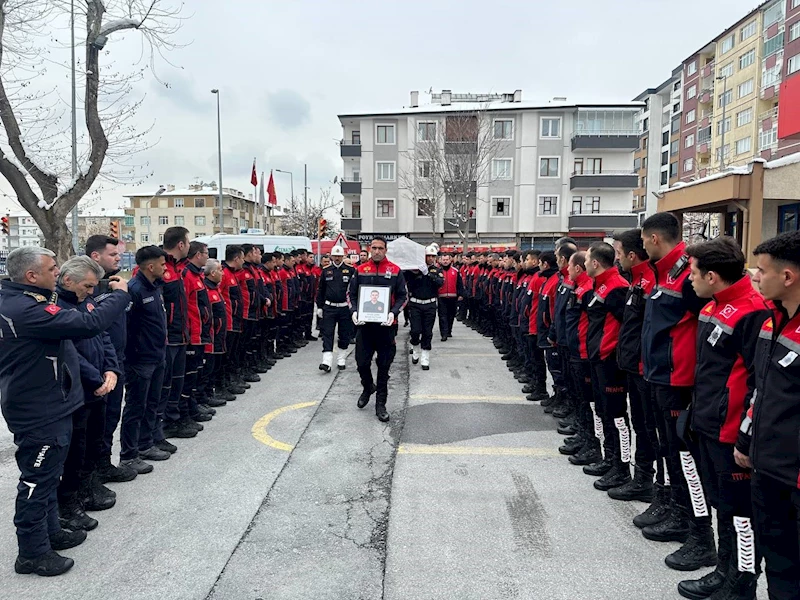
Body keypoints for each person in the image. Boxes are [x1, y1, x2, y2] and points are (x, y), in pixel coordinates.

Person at [0, 246, 129, 576]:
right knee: (37, 480)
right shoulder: (25, 309)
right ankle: (32, 552)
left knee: (50, 474)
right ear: (31, 275)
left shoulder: (30, 301)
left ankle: (51, 530)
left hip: (53, 402)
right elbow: (90, 323)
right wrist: (120, 294)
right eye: (52, 268)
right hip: (38, 409)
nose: (57, 272)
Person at [674, 237, 768, 600]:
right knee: (723, 506)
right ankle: (723, 570)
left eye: (694, 273)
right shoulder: (712, 305)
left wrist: (742, 435)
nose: (688, 280)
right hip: (707, 422)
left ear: (712, 276)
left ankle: (742, 584)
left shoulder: (752, 310)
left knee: (740, 514)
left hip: (731, 432)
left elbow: (757, 381)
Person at [640, 212, 715, 572]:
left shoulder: (688, 275)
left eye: (643, 240)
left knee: (686, 458)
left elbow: (706, 329)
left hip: (677, 379)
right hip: (658, 375)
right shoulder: (665, 272)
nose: (641, 247)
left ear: (655, 239)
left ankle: (699, 531)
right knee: (667, 450)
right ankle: (672, 506)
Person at [739, 231, 800, 600]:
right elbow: (758, 389)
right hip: (768, 469)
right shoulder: (769, 321)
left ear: (788, 277)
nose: (755, 277)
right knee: (779, 568)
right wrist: (746, 439)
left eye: (761, 270)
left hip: (795, 475)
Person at [55, 257, 121, 533]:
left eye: (94, 286)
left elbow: (103, 336)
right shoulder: (58, 308)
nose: (92, 291)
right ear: (68, 281)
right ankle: (69, 502)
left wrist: (111, 369)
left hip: (99, 386)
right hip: (78, 391)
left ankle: (89, 486)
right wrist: (96, 378)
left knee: (96, 440)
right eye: (88, 286)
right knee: (76, 451)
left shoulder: (87, 302)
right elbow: (69, 353)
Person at [609, 229, 661, 508]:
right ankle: (640, 477)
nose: (617, 259)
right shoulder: (637, 280)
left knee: (649, 429)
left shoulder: (651, 281)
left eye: (618, 253)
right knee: (640, 425)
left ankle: (647, 482)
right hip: (632, 365)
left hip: (646, 370)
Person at [85, 235, 137, 485]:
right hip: (96, 366)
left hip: (116, 360)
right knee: (96, 423)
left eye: (118, 254)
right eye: (112, 255)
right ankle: (91, 474)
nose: (118, 258)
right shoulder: (87, 287)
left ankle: (104, 464)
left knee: (111, 415)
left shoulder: (115, 284)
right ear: (95, 256)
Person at [584, 242, 632, 492]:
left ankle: (622, 467)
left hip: (610, 361)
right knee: (602, 412)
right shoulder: (600, 285)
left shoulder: (616, 287)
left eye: (587, 259)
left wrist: (610, 351)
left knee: (617, 417)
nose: (583, 264)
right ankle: (609, 458)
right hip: (597, 358)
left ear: (595, 263)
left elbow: (627, 326)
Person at [120, 246, 171, 473]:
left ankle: (146, 444)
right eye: (162, 263)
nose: (165, 267)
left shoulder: (155, 287)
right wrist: (134, 355)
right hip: (140, 360)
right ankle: (128, 456)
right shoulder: (135, 290)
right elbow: (126, 329)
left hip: (157, 355)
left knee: (152, 403)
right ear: (151, 267)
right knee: (135, 407)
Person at [348, 236, 408, 422]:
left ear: (385, 250)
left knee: (384, 367)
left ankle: (380, 404)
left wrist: (393, 313)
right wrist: (354, 312)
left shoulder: (395, 271)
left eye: (380, 248)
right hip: (365, 327)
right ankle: (367, 386)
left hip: (386, 327)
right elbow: (351, 294)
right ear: (369, 248)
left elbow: (403, 296)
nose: (376, 251)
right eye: (373, 247)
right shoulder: (360, 270)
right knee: (361, 363)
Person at [159, 227, 196, 440]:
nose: (189, 245)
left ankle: (175, 419)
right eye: (188, 242)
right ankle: (163, 425)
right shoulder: (159, 267)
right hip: (168, 337)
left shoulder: (178, 269)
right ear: (180, 244)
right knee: (166, 384)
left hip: (180, 335)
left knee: (177, 381)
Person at [181, 241, 213, 425]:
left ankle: (193, 405)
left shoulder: (197, 275)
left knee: (196, 372)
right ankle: (186, 411)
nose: (207, 256)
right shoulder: (187, 274)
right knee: (189, 374)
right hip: (192, 333)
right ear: (198, 255)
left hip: (201, 331)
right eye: (206, 253)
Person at [316, 245, 355, 372]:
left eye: (339, 256)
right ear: (331, 256)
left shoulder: (350, 270)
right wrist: (320, 306)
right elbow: (321, 290)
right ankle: (326, 361)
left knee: (344, 334)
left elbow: (354, 290)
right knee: (327, 333)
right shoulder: (326, 270)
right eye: (335, 256)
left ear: (343, 256)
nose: (337, 258)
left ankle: (341, 359)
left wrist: (353, 307)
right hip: (329, 307)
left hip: (344, 308)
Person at [406, 245, 444, 370]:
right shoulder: (413, 270)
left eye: (433, 256)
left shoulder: (437, 270)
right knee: (415, 330)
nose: (431, 258)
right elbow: (406, 281)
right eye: (429, 256)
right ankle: (415, 348)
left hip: (430, 304)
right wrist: (415, 272)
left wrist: (428, 274)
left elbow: (440, 283)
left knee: (428, 332)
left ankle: (425, 356)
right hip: (415, 304)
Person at [437, 252, 463, 341]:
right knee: (442, 316)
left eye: (447, 260)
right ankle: (443, 334)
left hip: (453, 297)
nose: (445, 261)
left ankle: (449, 331)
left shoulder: (455, 271)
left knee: (451, 315)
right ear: (440, 260)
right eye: (443, 260)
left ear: (450, 260)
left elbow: (459, 284)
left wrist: (460, 294)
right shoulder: (438, 271)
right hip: (441, 297)